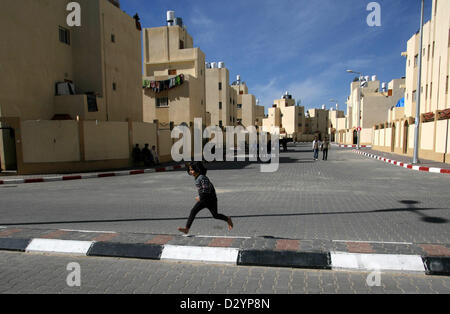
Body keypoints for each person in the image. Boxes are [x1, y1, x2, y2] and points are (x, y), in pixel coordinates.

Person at [178, 162, 233, 235]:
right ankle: (187, 229)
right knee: (195, 211)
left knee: (215, 215)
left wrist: (200, 197)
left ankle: (228, 219)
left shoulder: (202, 178)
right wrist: (201, 197)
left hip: (211, 200)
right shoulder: (197, 177)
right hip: (205, 199)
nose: (191, 171)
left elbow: (206, 189)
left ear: (198, 169)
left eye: (192, 170)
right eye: (190, 170)